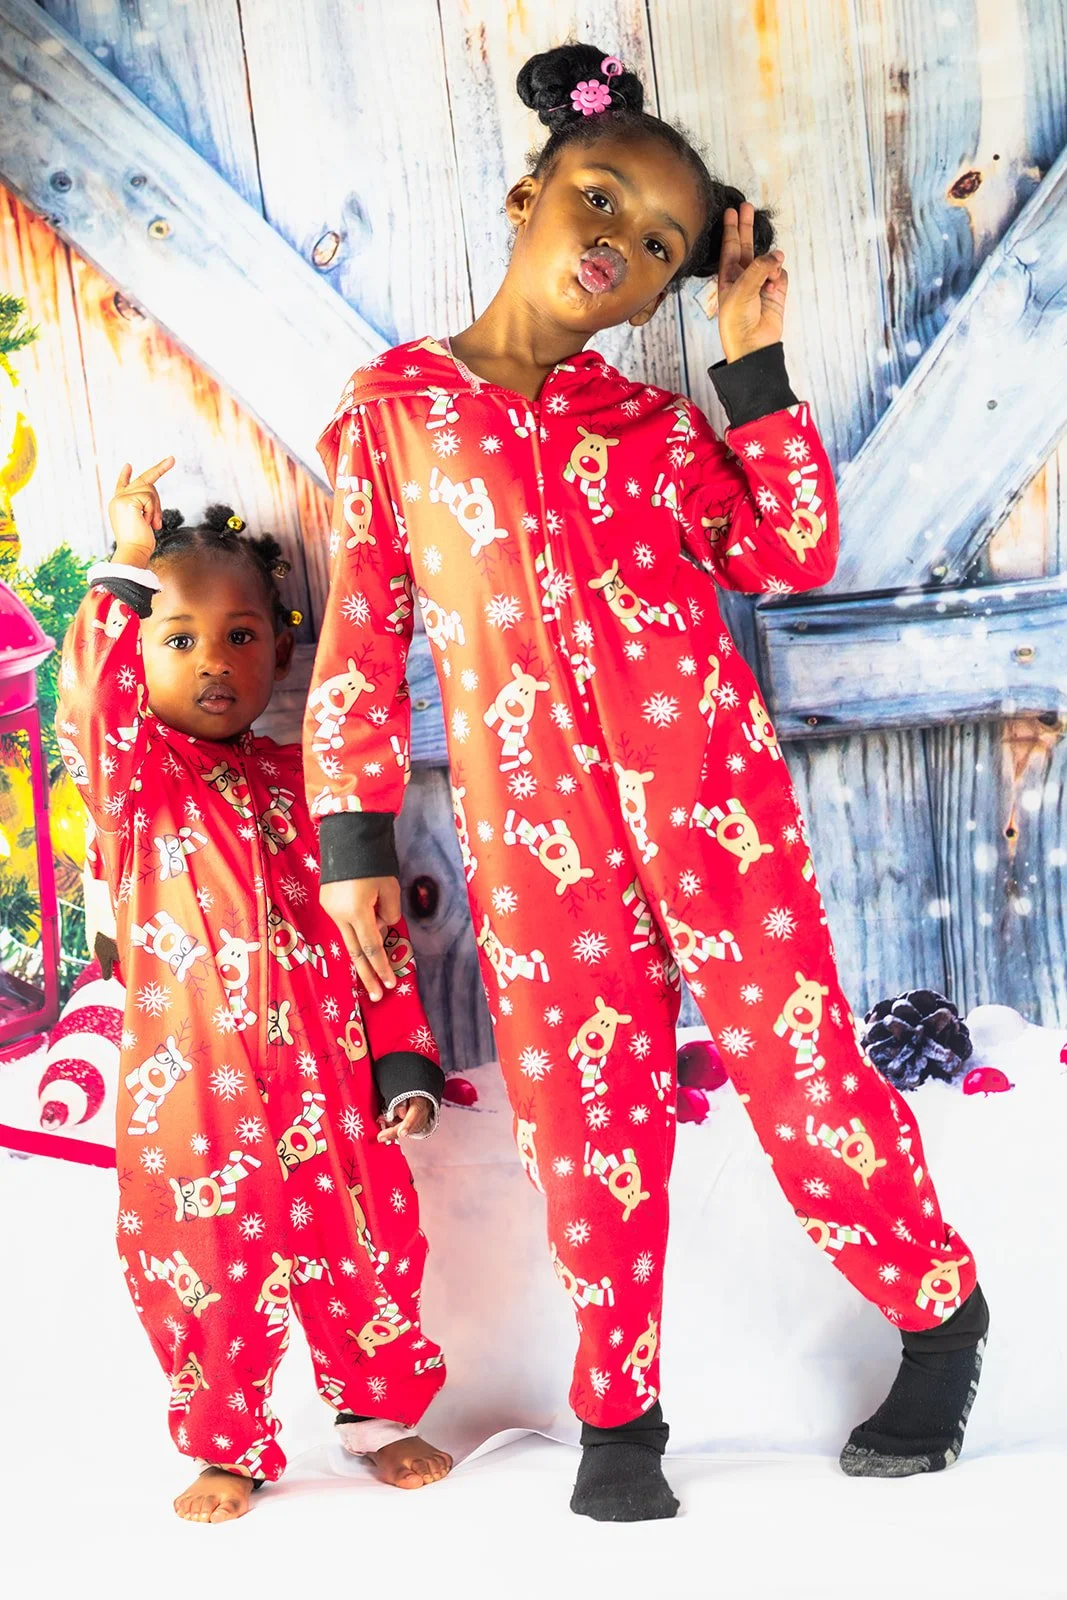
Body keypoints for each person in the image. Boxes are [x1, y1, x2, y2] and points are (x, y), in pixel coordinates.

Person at [304, 43, 988, 1522]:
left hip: (717, 812)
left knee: (804, 1081)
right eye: (597, 198)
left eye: (659, 245)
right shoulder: (395, 416)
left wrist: (747, 366)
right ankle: (619, 1414)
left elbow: (788, 555)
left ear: (661, 286)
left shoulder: (654, 430)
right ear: (526, 193)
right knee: (577, 1117)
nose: (617, 243)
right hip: (537, 846)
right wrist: (354, 841)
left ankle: (939, 1318)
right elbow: (358, 638)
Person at [57, 462, 452, 1522]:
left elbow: (371, 929)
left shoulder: (311, 789)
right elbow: (91, 704)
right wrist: (125, 572)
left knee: (367, 1247)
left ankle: (378, 1414)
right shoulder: (138, 788)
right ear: (141, 654)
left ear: (283, 646)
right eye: (180, 638)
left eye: (241, 635)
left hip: (325, 1086)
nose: (215, 662)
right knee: (201, 1264)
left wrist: (401, 1054)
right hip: (192, 1098)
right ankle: (226, 1440)